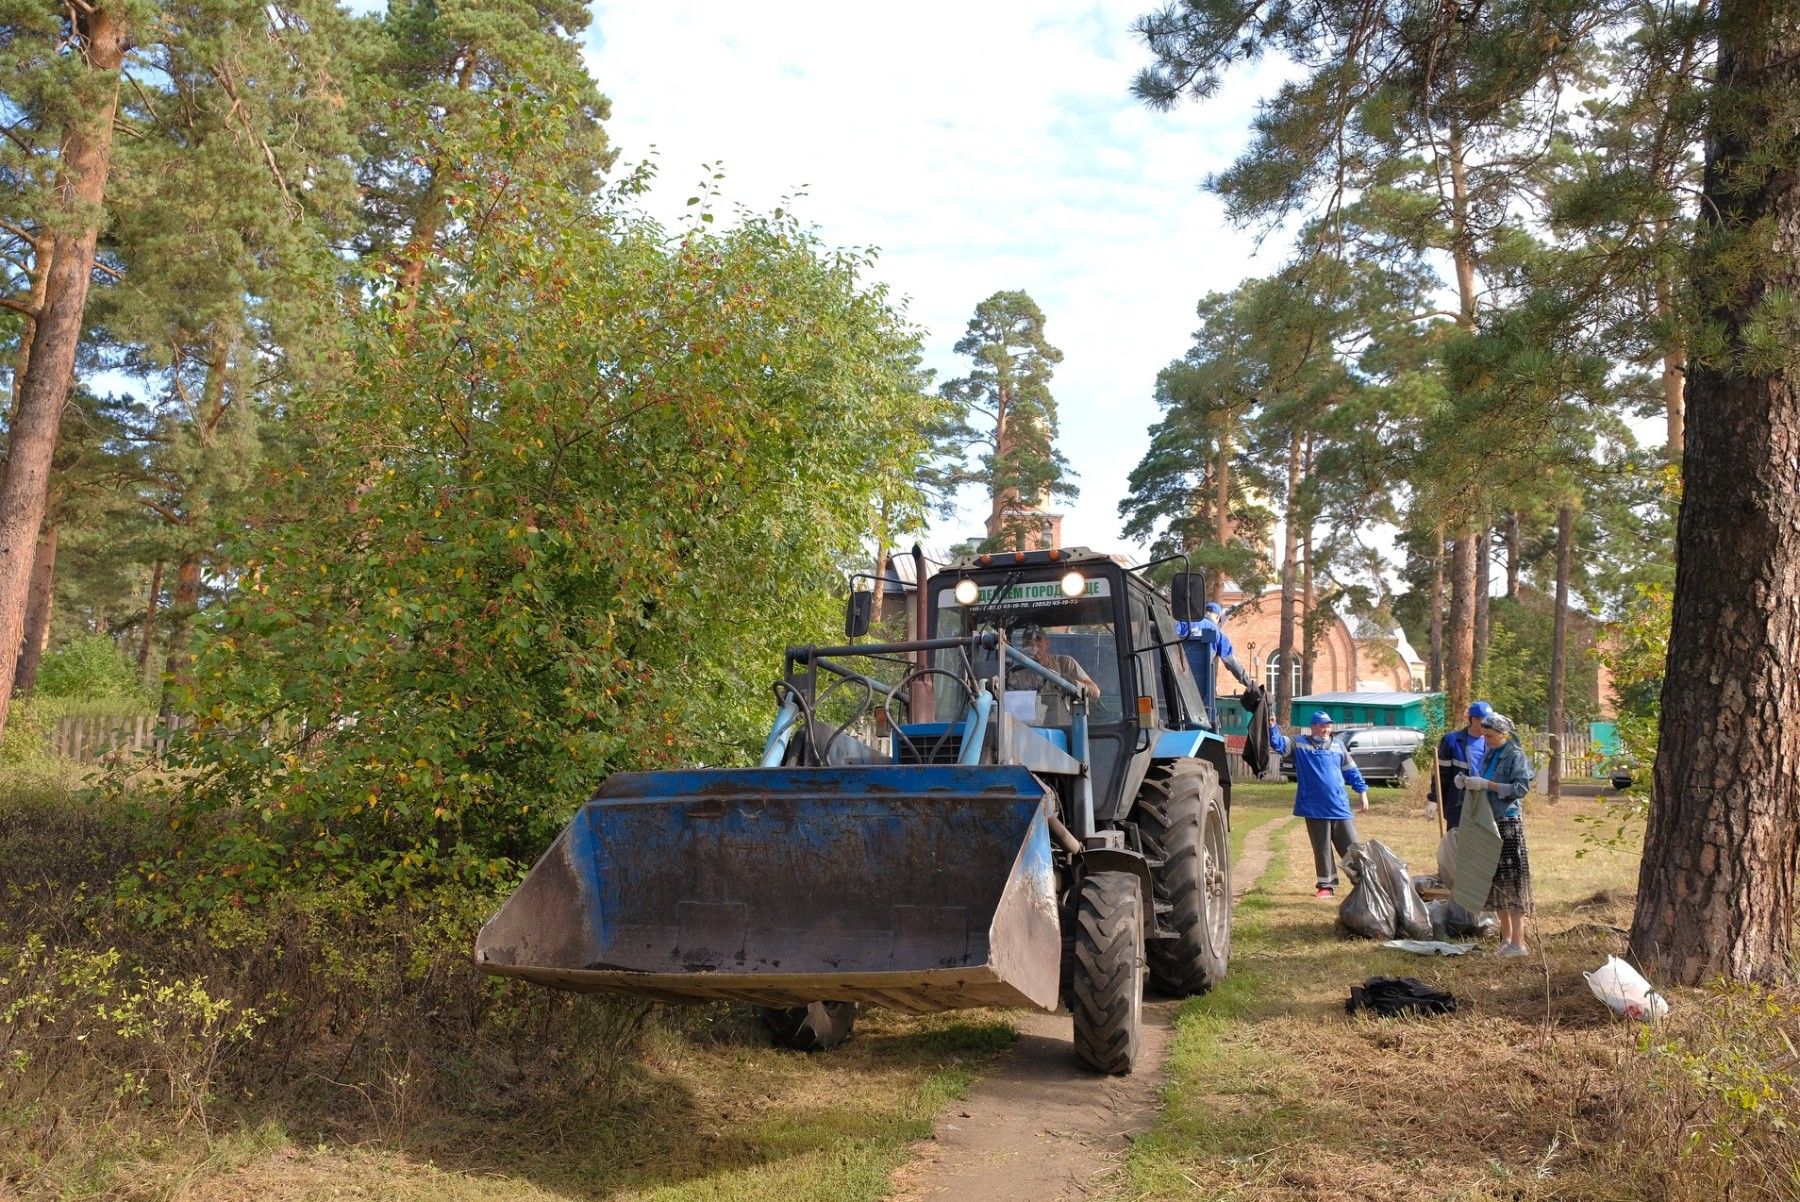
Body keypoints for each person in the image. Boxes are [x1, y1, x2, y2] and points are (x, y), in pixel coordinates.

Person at [1456, 711, 1534, 957]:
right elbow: (1484, 779)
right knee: (1496, 880)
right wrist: (1468, 782)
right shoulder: (1491, 752)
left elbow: (1521, 788)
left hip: (1508, 822)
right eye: (1484, 735)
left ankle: (1519, 943)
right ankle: (1506, 938)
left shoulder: (1515, 755)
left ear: (1503, 734)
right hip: (1489, 820)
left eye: (1490, 736)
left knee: (1512, 882)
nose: (1486, 740)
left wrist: (1487, 785)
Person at [1268, 710, 1370, 898]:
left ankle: (1364, 882)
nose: (1326, 729)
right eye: (1322, 725)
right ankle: (1326, 886)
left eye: (1328, 725)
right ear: (1313, 726)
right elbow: (1279, 744)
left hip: (1338, 805)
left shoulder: (1338, 746)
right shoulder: (1300, 743)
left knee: (1352, 847)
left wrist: (1362, 793)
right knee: (1322, 849)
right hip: (1314, 808)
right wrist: (1272, 726)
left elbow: (1352, 771)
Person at [1177, 601, 1253, 725]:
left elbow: (1170, 640)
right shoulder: (1217, 632)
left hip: (1176, 681)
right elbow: (1231, 663)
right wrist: (1247, 682)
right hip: (1200, 691)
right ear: (1217, 617)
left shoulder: (1185, 623)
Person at [1007, 624, 1101, 724]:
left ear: (1047, 643)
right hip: (1030, 731)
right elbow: (1010, 709)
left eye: (1038, 639)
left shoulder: (1066, 664)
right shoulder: (1017, 675)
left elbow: (1095, 692)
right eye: (1028, 641)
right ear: (1023, 647)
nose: (1034, 645)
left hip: (1065, 730)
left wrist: (1072, 683)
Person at [1430, 700, 1494, 830]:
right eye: (1487, 720)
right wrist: (1433, 800)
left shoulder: (1494, 742)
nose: (1491, 724)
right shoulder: (1452, 741)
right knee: (1457, 847)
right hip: (1459, 806)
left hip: (1486, 805)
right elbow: (1441, 775)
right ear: (1475, 720)